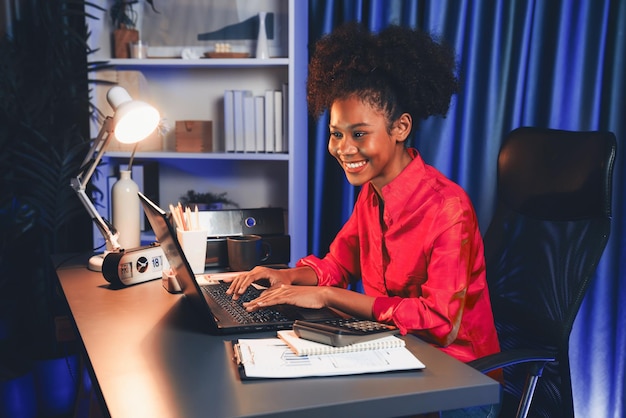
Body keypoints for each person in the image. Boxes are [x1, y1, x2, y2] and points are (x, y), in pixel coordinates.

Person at [226, 22, 500, 416]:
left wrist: (328, 296)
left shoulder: (448, 209)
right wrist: (286, 277)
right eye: (336, 134)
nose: (343, 148)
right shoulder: (372, 194)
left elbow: (439, 321)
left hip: (457, 381)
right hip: (389, 354)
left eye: (358, 134)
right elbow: (337, 264)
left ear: (400, 127)